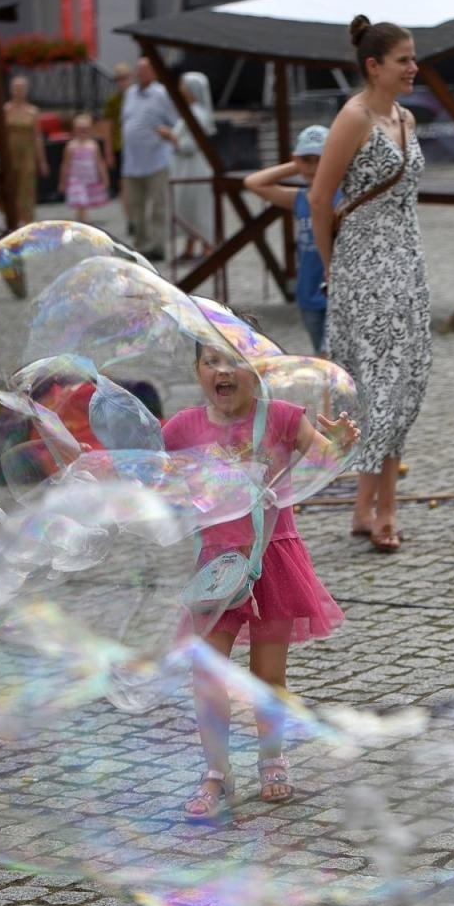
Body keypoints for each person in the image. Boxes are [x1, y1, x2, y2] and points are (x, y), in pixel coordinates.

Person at [162, 335, 357, 821]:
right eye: (211, 362)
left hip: (271, 559)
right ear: (198, 371)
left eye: (235, 362)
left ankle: (272, 755)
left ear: (260, 371)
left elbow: (322, 459)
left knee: (268, 676)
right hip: (216, 567)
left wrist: (337, 446)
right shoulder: (184, 426)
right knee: (207, 675)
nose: (222, 371)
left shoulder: (284, 418)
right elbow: (151, 472)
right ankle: (216, 771)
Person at [309, 15, 429, 554]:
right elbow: (318, 199)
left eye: (413, 58)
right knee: (379, 388)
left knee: (404, 386)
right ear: (373, 66)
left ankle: (363, 507)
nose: (413, 67)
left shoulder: (404, 117)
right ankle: (385, 513)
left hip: (406, 264)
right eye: (403, 59)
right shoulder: (353, 117)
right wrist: (334, 266)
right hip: (364, 267)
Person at [244, 124, 332, 353]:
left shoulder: (345, 195)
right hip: (308, 293)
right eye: (307, 159)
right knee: (321, 356)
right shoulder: (299, 198)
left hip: (337, 293)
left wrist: (330, 161)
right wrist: (296, 166)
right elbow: (253, 182)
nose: (312, 167)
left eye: (319, 159)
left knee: (330, 355)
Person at [120, 57, 177, 261]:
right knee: (135, 207)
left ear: (153, 72)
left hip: (156, 160)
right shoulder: (130, 93)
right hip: (132, 162)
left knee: (158, 206)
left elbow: (175, 122)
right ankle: (140, 246)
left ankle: (158, 246)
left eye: (144, 70)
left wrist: (168, 134)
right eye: (138, 70)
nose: (140, 74)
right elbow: (126, 121)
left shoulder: (161, 94)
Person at [167, 71, 217, 262]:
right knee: (187, 205)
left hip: (195, 166)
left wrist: (171, 138)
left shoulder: (198, 115)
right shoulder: (189, 112)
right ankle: (191, 245)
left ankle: (208, 246)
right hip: (185, 167)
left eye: (183, 85)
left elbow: (191, 144)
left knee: (198, 206)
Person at [3, 75, 48, 229]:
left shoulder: (33, 111)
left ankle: (28, 226)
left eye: (21, 88)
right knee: (10, 189)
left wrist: (42, 161)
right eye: (15, 88)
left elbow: (37, 137)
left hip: (27, 155)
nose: (18, 91)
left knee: (27, 190)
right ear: (11, 90)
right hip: (9, 155)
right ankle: (11, 225)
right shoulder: (5, 110)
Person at [58, 113, 110, 224]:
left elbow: (99, 163)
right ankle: (82, 221)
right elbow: (65, 164)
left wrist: (104, 178)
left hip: (89, 179)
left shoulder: (93, 145)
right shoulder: (71, 146)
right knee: (80, 201)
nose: (82, 131)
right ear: (75, 130)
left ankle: (83, 221)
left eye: (85, 129)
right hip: (76, 179)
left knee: (85, 202)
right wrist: (63, 181)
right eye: (80, 129)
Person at [101, 61, 131, 202]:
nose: (121, 82)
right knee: (123, 182)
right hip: (119, 145)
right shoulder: (112, 101)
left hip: (135, 146)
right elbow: (107, 127)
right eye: (118, 79)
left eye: (124, 78)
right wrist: (108, 152)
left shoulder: (137, 97)